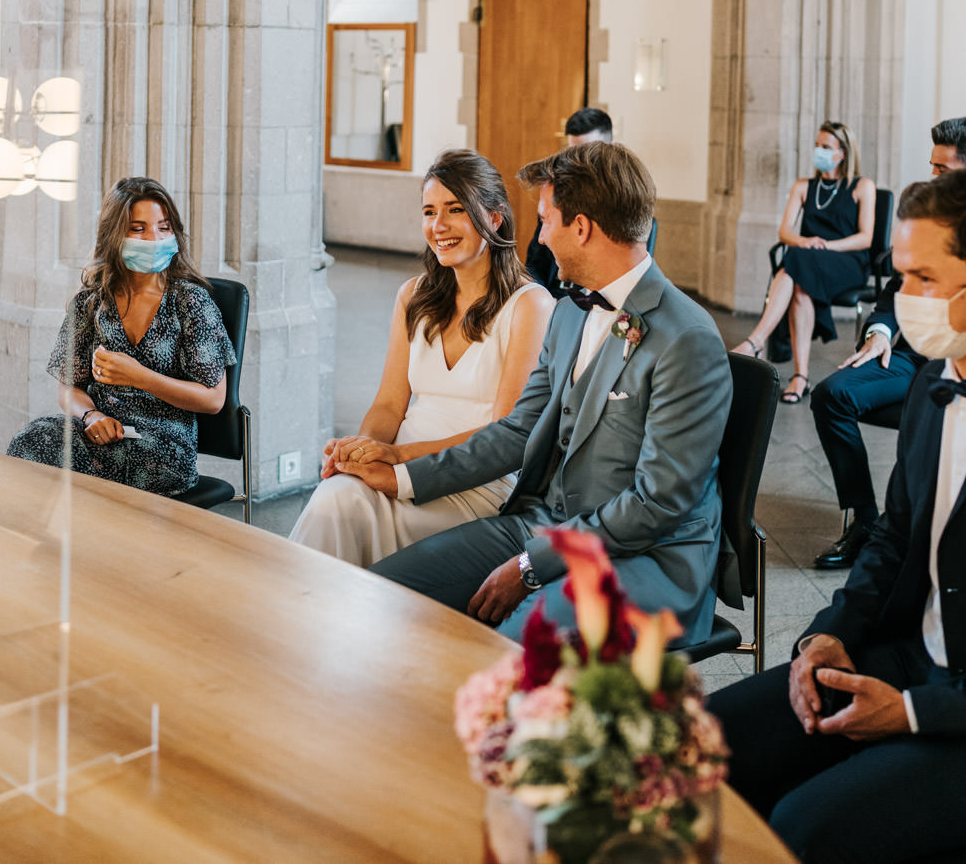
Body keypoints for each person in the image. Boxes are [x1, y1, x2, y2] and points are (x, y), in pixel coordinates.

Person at [333, 141, 731, 643]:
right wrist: (403, 476)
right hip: (541, 524)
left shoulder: (685, 337)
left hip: (645, 561)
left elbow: (655, 504)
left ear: (580, 228)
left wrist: (529, 566)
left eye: (546, 220)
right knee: (381, 595)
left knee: (514, 648)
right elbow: (516, 431)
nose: (539, 238)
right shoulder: (569, 313)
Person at [709, 171, 966, 864]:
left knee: (805, 826)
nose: (902, 300)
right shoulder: (937, 383)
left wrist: (911, 713)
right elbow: (894, 535)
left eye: (923, 280)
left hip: (956, 708)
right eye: (900, 278)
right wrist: (829, 634)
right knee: (706, 743)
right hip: (910, 654)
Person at [289, 150, 553, 565]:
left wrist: (398, 460)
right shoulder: (413, 295)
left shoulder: (530, 305)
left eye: (455, 210)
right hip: (400, 461)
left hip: (476, 482)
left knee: (346, 509)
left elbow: (503, 433)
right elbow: (389, 403)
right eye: (429, 211)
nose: (438, 226)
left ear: (495, 218)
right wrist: (364, 450)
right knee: (335, 497)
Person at [7, 176, 233, 494]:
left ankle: (92, 538)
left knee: (86, 485)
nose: (153, 238)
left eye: (164, 227)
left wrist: (140, 377)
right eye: (138, 228)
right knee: (32, 439)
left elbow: (213, 400)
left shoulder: (190, 301)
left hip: (161, 447)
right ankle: (49, 541)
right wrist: (91, 416)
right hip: (101, 435)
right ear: (114, 235)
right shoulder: (91, 302)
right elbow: (68, 389)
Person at [811, 117, 966, 569]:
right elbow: (892, 292)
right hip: (910, 352)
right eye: (931, 167)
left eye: (943, 170)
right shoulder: (925, 220)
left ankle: (920, 532)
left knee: (930, 408)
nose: (932, 177)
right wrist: (879, 331)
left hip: (954, 364)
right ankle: (864, 520)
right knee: (831, 395)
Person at [735, 121, 876, 404]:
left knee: (794, 263)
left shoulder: (862, 186)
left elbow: (865, 238)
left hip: (847, 262)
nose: (818, 151)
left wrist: (827, 246)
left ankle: (756, 342)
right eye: (816, 146)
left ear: (843, 153)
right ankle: (800, 375)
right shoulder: (803, 186)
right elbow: (785, 232)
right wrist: (806, 242)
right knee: (800, 284)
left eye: (826, 147)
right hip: (810, 261)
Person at [525, 108, 613, 296]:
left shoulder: (616, 204)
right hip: (552, 294)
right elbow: (536, 261)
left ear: (609, 148)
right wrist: (535, 296)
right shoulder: (552, 199)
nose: (577, 162)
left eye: (587, 152)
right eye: (572, 152)